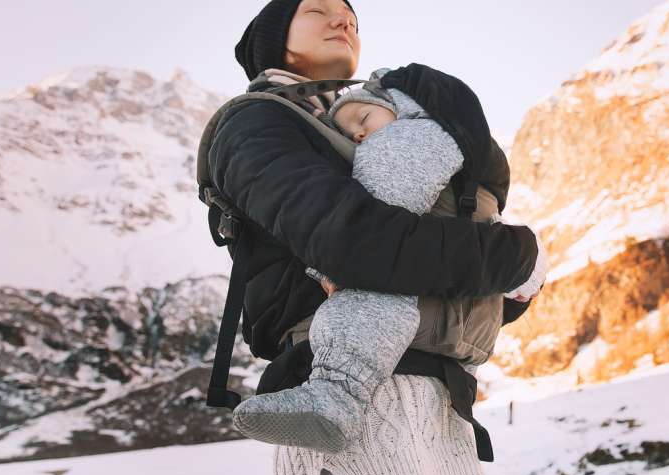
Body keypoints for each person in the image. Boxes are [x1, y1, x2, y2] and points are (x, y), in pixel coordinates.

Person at [208, 0, 545, 475]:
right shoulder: (258, 122)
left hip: (439, 394)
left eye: (352, 19)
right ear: (274, 42)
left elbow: (463, 287)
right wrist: (512, 255)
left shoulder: (394, 122)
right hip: (343, 387)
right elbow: (355, 243)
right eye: (317, 12)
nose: (342, 23)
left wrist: (509, 280)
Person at [230, 74, 545, 455]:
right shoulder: (457, 153)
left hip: (419, 373)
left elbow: (368, 239)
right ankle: (334, 397)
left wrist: (327, 268)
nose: (361, 136)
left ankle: (336, 395)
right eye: (352, 134)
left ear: (401, 105)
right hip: (443, 375)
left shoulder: (406, 142)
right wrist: (514, 265)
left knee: (371, 298)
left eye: (363, 120)